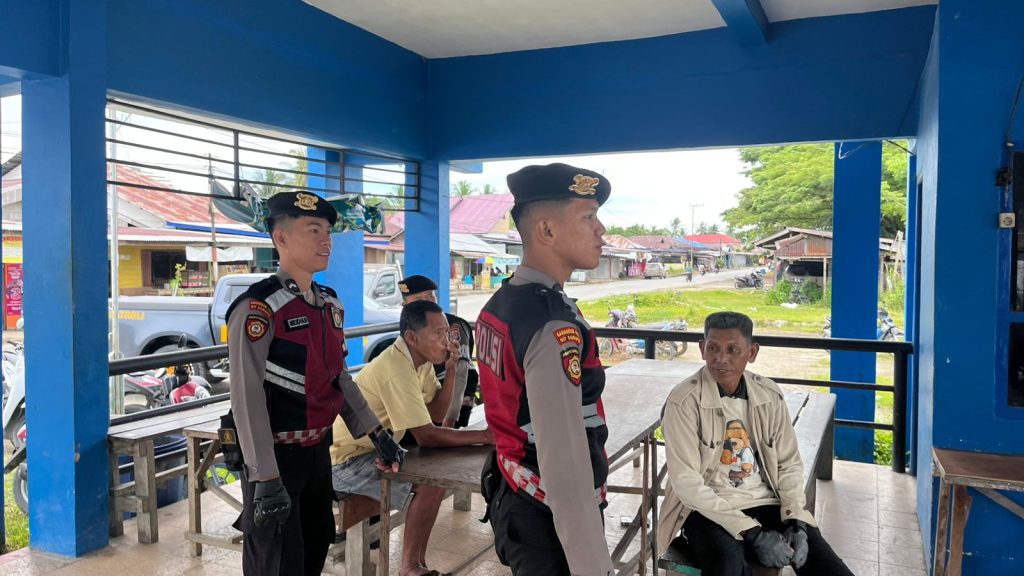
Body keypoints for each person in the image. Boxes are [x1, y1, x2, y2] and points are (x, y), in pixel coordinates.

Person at [225, 191, 405, 576]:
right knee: (277, 560)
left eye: (327, 231)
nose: (326, 241)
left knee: (314, 546)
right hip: (275, 457)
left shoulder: (329, 305)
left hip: (317, 453)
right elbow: (246, 396)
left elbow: (338, 377)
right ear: (281, 238)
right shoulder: (259, 308)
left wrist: (377, 434)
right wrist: (265, 476)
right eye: (313, 230)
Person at [476, 163, 614, 575]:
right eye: (588, 217)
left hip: (515, 491)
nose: (601, 229)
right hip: (548, 520)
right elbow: (565, 464)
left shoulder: (504, 302)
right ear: (547, 231)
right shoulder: (551, 322)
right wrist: (594, 568)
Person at [657, 311, 854, 576]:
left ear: (752, 352)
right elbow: (687, 483)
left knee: (828, 567)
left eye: (732, 349)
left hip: (765, 501)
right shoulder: (684, 401)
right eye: (713, 348)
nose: (721, 358)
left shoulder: (768, 395)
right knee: (728, 566)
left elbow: (788, 463)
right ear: (702, 348)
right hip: (706, 510)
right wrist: (753, 533)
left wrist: (796, 519)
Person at [330, 299, 494, 576]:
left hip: (380, 449)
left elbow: (436, 414)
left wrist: (451, 371)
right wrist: (486, 436)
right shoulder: (396, 367)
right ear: (412, 337)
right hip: (346, 461)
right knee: (429, 483)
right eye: (438, 333)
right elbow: (427, 435)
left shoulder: (421, 362)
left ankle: (417, 564)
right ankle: (409, 567)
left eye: (447, 333)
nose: (447, 341)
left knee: (436, 478)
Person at [398, 274, 478, 428]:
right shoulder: (408, 330)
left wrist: (449, 422)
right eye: (418, 300)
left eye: (430, 297)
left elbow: (460, 372)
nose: (427, 303)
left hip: (452, 401)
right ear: (404, 306)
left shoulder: (451, 326)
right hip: (425, 400)